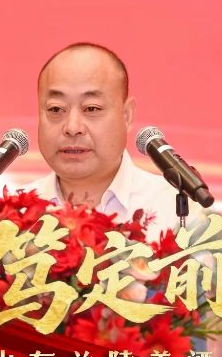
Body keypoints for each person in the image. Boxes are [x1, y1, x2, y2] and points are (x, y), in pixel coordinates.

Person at [20, 42, 183, 240]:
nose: (72, 127)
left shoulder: (179, 210)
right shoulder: (13, 216)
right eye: (56, 109)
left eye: (92, 108)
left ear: (127, 116)